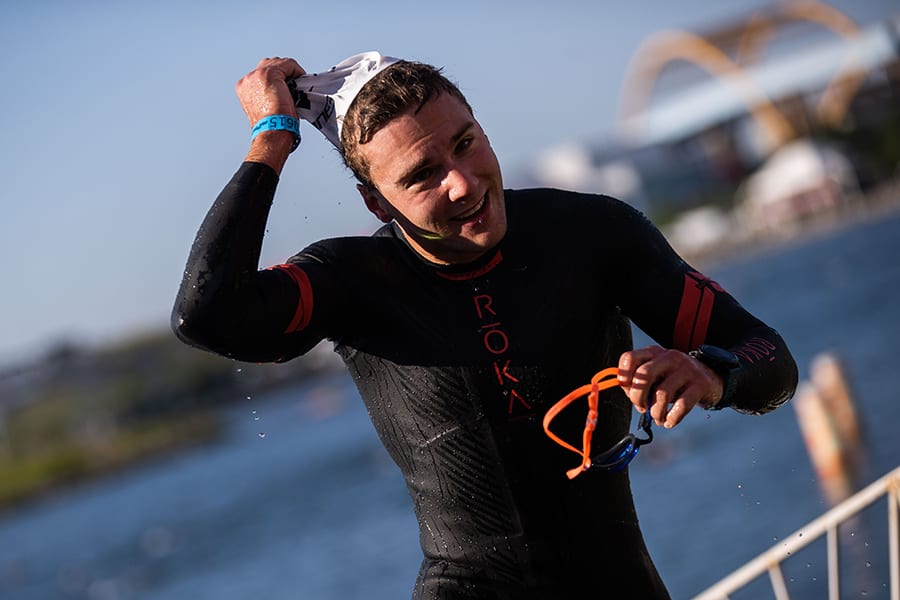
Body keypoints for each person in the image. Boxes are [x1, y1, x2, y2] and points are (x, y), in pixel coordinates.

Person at [172, 51, 798, 599]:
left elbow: (770, 360)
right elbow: (206, 313)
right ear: (376, 202)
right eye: (421, 176)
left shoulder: (590, 234)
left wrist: (711, 373)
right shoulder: (352, 280)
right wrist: (273, 135)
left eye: (467, 143)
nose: (464, 184)